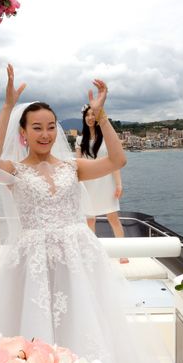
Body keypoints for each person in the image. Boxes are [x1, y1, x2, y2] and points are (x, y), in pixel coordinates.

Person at [0, 65, 167, 363]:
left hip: (79, 257)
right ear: (22, 133)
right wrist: (9, 106)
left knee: (85, 322)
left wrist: (101, 115)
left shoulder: (72, 167)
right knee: (34, 329)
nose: (46, 134)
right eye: (37, 127)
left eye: (51, 126)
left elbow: (118, 160)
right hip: (34, 261)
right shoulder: (15, 171)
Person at [75, 103, 129, 264]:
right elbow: (78, 164)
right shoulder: (79, 140)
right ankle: (91, 253)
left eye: (93, 114)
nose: (90, 118)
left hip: (107, 182)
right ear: (84, 118)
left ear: (98, 117)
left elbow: (115, 164)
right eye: (87, 115)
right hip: (88, 183)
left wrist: (119, 185)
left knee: (113, 217)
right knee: (90, 219)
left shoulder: (106, 138)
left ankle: (123, 252)